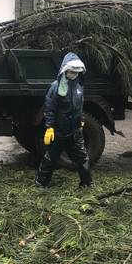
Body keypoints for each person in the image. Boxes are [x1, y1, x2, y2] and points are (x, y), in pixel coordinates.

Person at [34, 52, 94, 189]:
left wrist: (82, 120)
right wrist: (49, 128)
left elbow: (80, 106)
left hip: (75, 130)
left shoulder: (79, 85)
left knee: (82, 157)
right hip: (59, 130)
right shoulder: (55, 87)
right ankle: (40, 184)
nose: (74, 73)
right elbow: (50, 109)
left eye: (76, 71)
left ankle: (87, 184)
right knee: (51, 158)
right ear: (66, 69)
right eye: (72, 70)